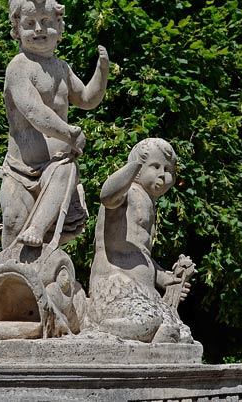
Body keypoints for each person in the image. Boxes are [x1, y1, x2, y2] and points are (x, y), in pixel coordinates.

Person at [0, 0, 109, 252]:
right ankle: (4, 271)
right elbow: (35, 112)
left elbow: (87, 99)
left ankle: (37, 230)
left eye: (46, 21)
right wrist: (70, 134)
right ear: (17, 30)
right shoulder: (19, 67)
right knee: (13, 222)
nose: (38, 29)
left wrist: (102, 71)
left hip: (54, 165)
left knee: (65, 169)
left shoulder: (62, 68)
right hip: (20, 168)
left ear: (59, 27)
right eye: (29, 23)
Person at [85, 138, 192, 343]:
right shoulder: (126, 193)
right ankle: (96, 329)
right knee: (147, 324)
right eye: (155, 166)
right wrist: (131, 168)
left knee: (181, 333)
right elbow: (107, 196)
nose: (163, 174)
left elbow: (140, 253)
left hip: (144, 293)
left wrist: (165, 278)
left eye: (168, 169)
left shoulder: (148, 202)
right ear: (138, 169)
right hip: (116, 287)